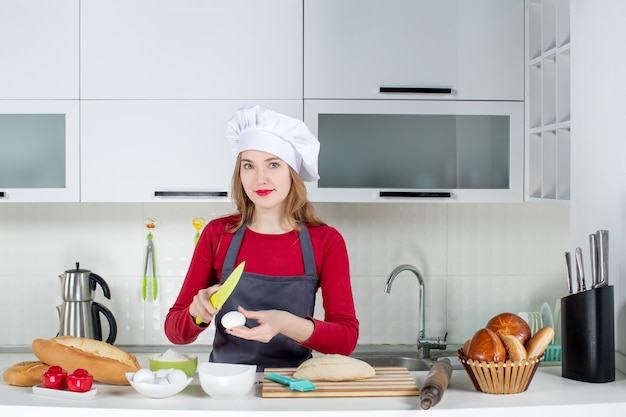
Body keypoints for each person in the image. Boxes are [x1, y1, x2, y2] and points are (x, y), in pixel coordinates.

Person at [164, 104, 359, 370]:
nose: (260, 178)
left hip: (293, 385)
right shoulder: (218, 234)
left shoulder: (325, 241)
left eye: (273, 164)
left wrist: (285, 323)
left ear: (292, 173)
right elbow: (176, 332)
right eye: (249, 166)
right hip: (226, 384)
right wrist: (195, 314)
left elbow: (345, 339)